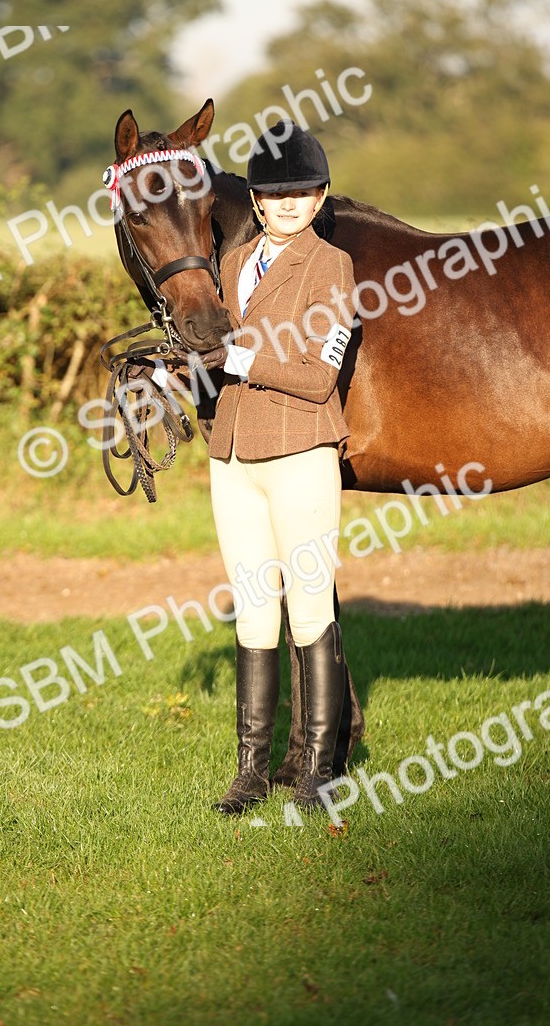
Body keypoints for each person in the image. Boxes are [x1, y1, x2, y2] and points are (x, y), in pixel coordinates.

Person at [197, 120, 357, 815]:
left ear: (320, 199)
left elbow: (318, 378)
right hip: (232, 456)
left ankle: (320, 769)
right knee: (254, 611)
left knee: (309, 606)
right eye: (277, 194)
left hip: (301, 451)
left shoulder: (332, 268)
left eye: (304, 193)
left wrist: (232, 359)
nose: (290, 204)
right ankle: (251, 772)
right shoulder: (231, 268)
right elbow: (211, 357)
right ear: (257, 202)